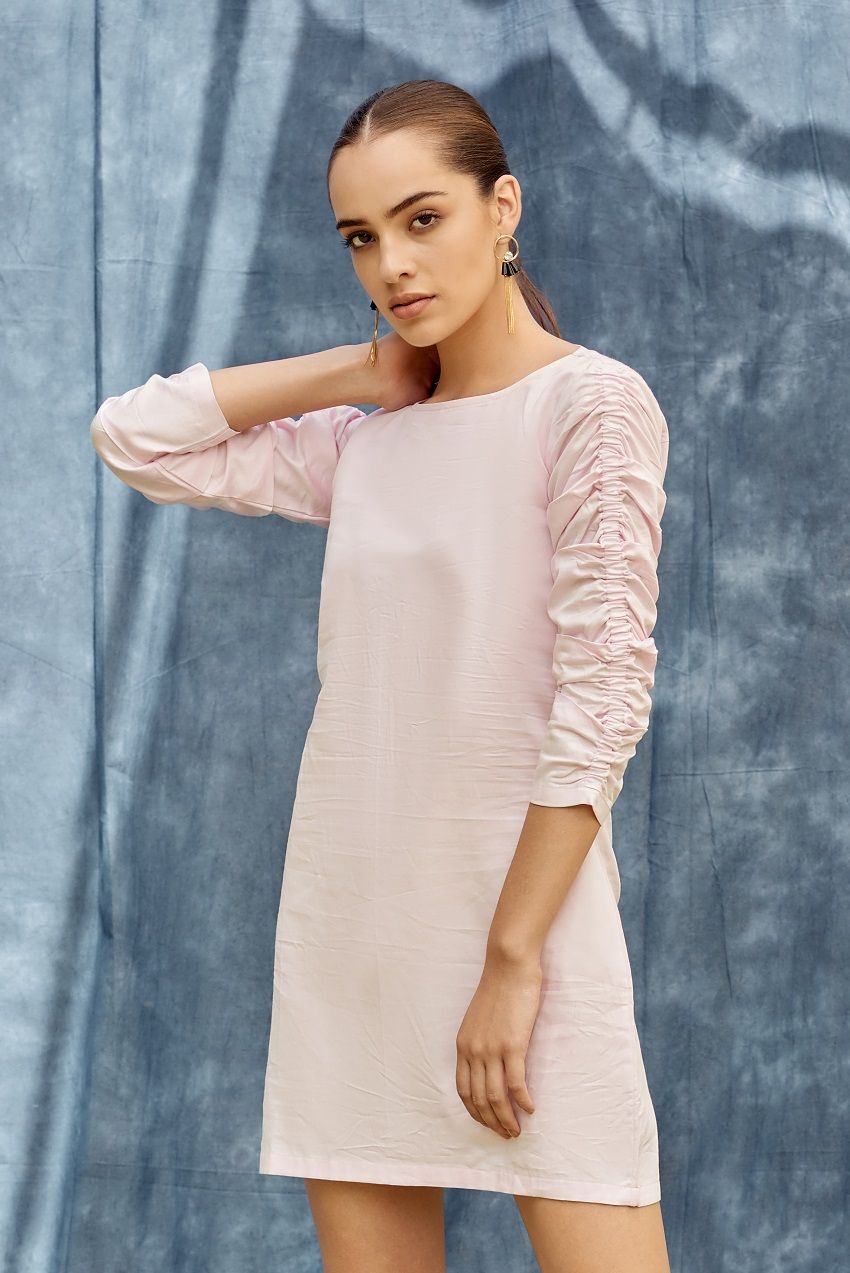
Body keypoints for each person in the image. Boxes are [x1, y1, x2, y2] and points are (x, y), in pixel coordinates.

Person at [90, 79, 671, 1273]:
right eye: (361, 237)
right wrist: (356, 373)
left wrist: (510, 961)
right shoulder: (367, 442)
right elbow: (133, 437)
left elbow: (603, 704)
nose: (392, 264)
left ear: (502, 208)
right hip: (355, 934)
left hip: (524, 938)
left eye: (422, 219)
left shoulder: (589, 406)